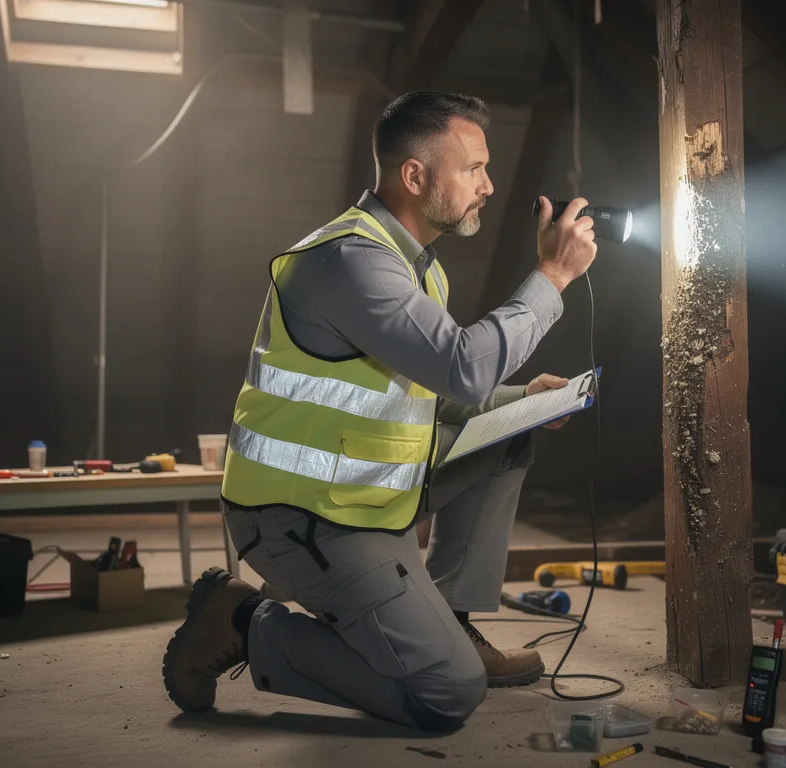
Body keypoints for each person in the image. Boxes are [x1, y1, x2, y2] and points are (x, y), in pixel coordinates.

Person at [161, 91, 597, 731]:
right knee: (448, 694)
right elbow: (463, 365)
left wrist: (522, 400)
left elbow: (435, 390)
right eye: (472, 168)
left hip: (368, 499)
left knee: (509, 435)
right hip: (304, 516)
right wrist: (552, 277)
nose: (489, 185)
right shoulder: (351, 261)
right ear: (415, 176)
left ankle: (449, 619)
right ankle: (240, 622)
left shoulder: (416, 266)